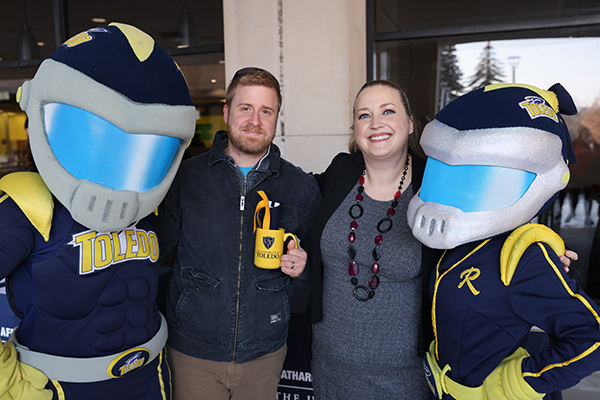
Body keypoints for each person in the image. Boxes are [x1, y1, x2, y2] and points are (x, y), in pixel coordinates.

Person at [1, 23, 196, 399]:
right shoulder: (29, 202)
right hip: (60, 385)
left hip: (148, 376)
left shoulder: (150, 198)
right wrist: (9, 382)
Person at [408, 83, 600, 399]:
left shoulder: (523, 258)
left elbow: (591, 338)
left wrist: (516, 384)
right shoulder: (459, 242)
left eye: (477, 178)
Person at [154, 67, 321, 400]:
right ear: (228, 113)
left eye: (266, 111)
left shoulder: (302, 188)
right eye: (246, 108)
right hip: (192, 352)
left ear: (276, 119)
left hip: (265, 353)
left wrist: (303, 268)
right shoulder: (185, 178)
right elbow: (158, 249)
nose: (255, 120)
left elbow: (316, 268)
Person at [307, 80, 441, 399]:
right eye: (364, 115)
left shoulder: (436, 184)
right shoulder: (340, 171)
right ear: (355, 129)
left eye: (388, 111)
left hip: (405, 379)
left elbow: (486, 229)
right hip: (329, 370)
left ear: (410, 124)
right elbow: (291, 194)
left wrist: (533, 250)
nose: (375, 123)